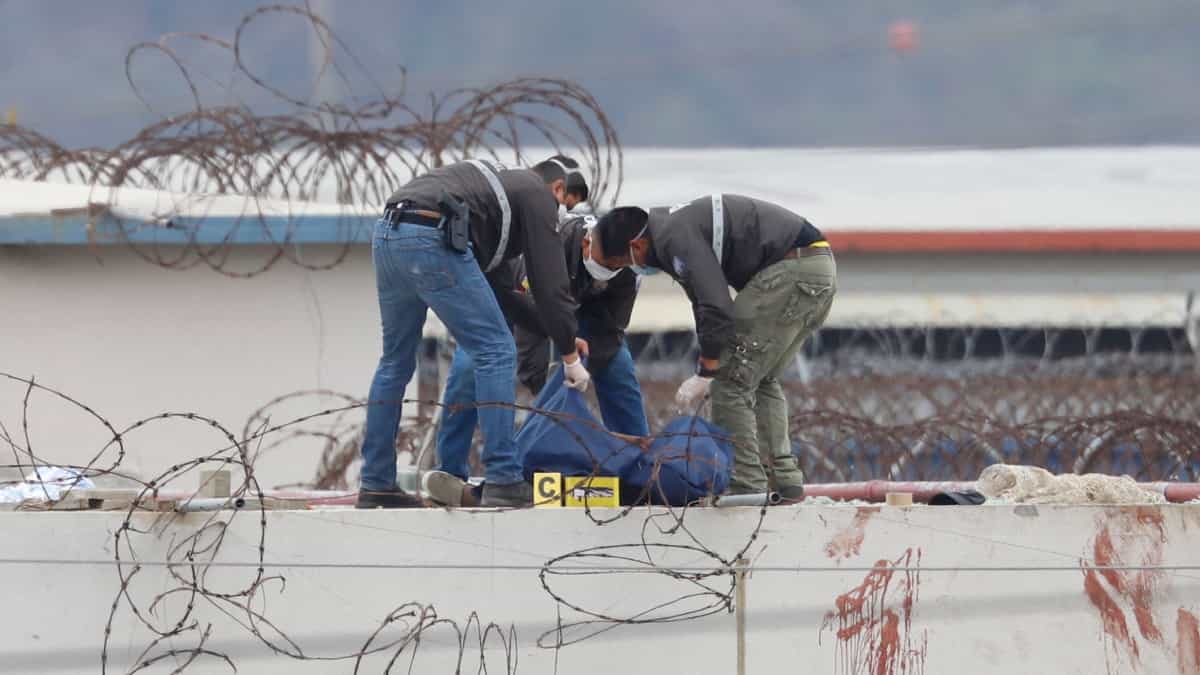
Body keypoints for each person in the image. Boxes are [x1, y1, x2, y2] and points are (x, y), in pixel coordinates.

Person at [356, 155, 592, 509]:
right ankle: (503, 477)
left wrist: (559, 335)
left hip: (390, 234)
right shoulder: (537, 194)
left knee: (395, 362)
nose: (559, 217)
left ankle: (376, 483)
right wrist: (570, 359)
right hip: (432, 235)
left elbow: (504, 294)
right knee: (496, 351)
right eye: (565, 205)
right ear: (557, 188)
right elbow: (548, 281)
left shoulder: (492, 205)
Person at [585, 195, 836, 502]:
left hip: (791, 270)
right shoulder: (670, 231)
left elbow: (717, 306)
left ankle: (745, 484)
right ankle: (784, 480)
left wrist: (707, 371)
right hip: (814, 268)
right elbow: (703, 304)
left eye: (621, 264)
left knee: (731, 380)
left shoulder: (673, 238)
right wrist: (706, 365)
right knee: (759, 379)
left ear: (636, 247)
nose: (628, 270)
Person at [425, 212, 650, 506]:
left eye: (617, 265)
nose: (610, 269)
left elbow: (611, 331)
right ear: (586, 243)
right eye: (605, 262)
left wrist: (579, 370)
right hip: (512, 300)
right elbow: (528, 329)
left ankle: (641, 471)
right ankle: (451, 474)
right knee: (471, 364)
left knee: (617, 365)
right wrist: (550, 397)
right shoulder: (552, 246)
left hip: (577, 310)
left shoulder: (628, 270)